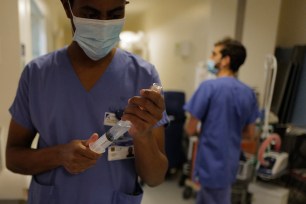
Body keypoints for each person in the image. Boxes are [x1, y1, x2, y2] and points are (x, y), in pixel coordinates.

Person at [6, 0, 169, 203]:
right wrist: (59, 155)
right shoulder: (37, 75)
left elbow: (155, 178)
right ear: (68, 7)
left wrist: (143, 137)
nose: (103, 24)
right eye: (91, 15)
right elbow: (13, 158)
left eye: (115, 14)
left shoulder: (143, 75)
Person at [184, 37, 259, 204]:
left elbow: (190, 128)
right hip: (229, 164)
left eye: (214, 54)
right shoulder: (248, 93)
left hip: (210, 165)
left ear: (225, 60)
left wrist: (205, 132)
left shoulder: (208, 88)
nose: (210, 58)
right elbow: (250, 134)